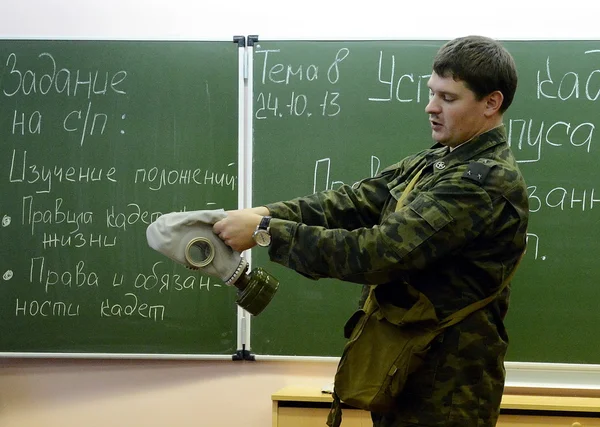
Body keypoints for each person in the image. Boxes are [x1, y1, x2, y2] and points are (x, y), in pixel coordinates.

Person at [213, 35, 529, 427]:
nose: (431, 107)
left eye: (448, 98)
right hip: (404, 370)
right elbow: (356, 201)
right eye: (432, 93)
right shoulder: (439, 160)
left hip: (446, 395)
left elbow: (379, 253)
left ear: (491, 103)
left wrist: (266, 231)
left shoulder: (482, 182)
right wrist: (261, 212)